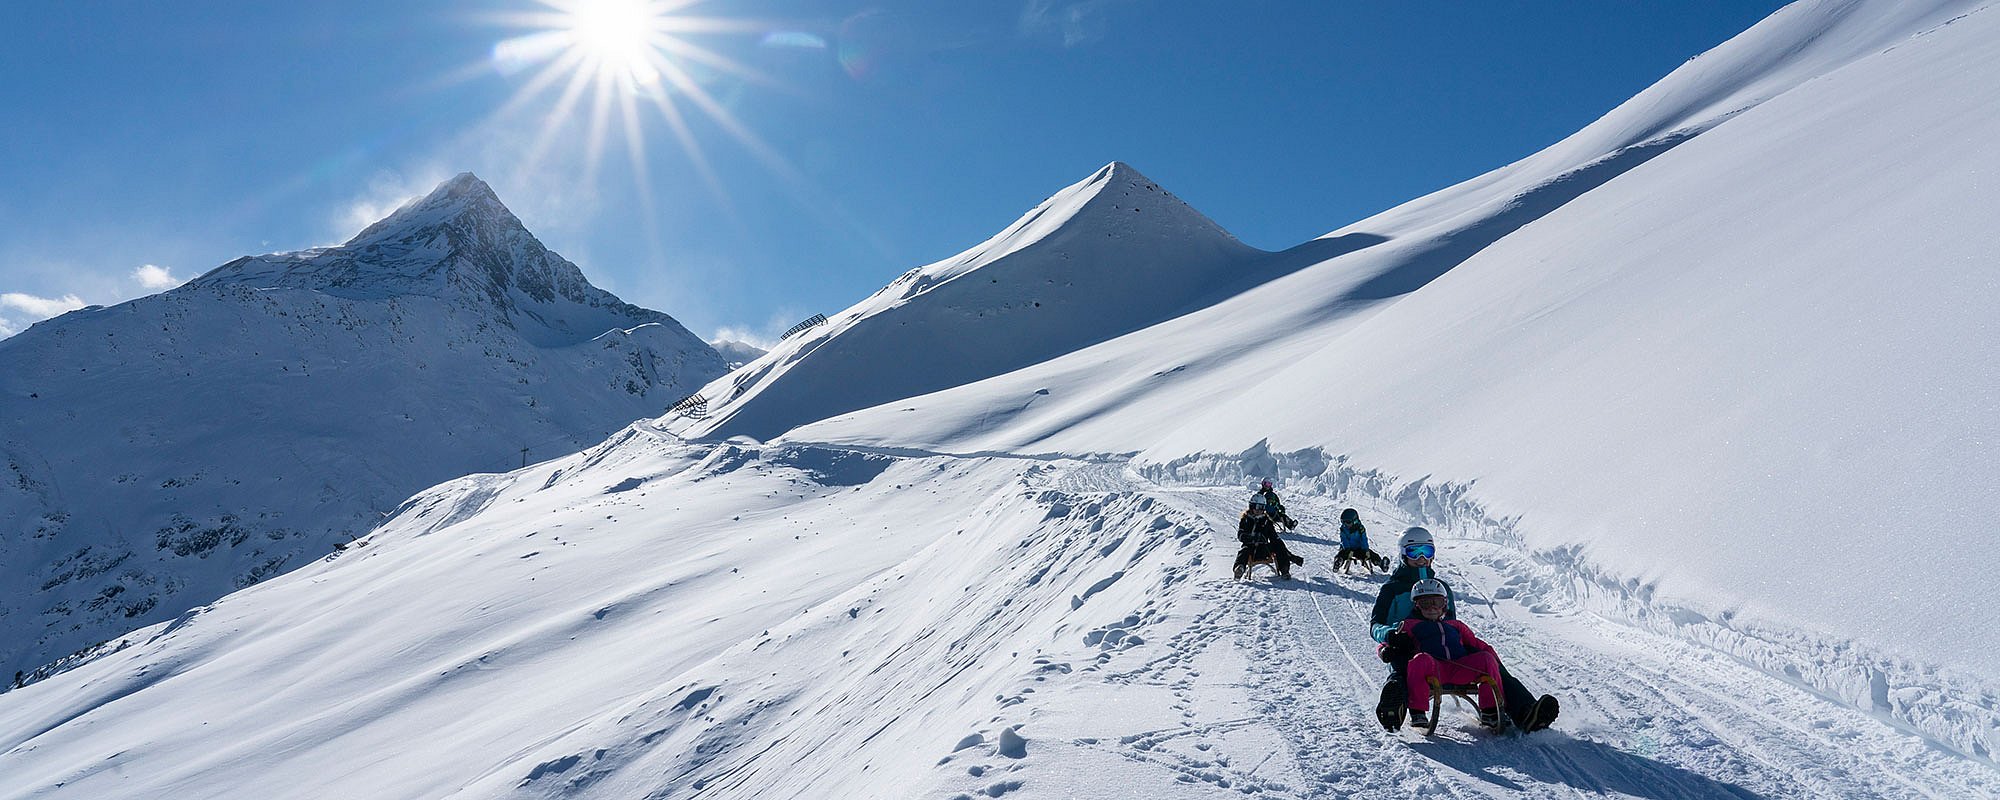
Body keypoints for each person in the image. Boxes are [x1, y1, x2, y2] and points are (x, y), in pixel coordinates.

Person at [1370, 527, 1559, 732]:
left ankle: (1524, 712)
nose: (1422, 558)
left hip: (1442, 649)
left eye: (1427, 551)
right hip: (1404, 646)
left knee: (1487, 659)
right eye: (1415, 552)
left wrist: (1481, 651)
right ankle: (1394, 708)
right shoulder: (1392, 589)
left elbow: (1450, 625)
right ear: (1403, 554)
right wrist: (1390, 635)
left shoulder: (1443, 588)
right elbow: (1375, 625)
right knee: (1403, 665)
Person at [1391, 578, 1505, 728]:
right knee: (1420, 660)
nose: (1432, 608)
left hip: (1460, 668)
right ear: (1417, 606)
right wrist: (1384, 650)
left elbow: (1477, 644)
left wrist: (1497, 663)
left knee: (1486, 658)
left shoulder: (1455, 625)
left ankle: (1490, 711)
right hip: (1433, 669)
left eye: (1436, 603)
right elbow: (1387, 642)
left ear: (1444, 604)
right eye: (1425, 604)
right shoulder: (1409, 625)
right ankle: (1417, 712)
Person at [1234, 496, 1302, 579]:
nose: (1259, 510)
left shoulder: (1266, 521)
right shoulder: (1245, 520)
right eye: (1257, 507)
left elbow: (1274, 537)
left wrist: (1288, 554)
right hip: (1250, 549)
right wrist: (1253, 538)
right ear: (1251, 506)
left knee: (1279, 544)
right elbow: (1240, 535)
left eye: (1262, 507)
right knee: (1243, 551)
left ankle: (1285, 570)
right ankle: (1239, 569)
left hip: (1264, 549)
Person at [1333, 508, 1388, 572]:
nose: (1345, 524)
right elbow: (1344, 540)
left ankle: (1381, 563)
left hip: (1359, 549)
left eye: (1348, 522)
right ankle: (1338, 562)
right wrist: (1347, 549)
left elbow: (1364, 539)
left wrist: (1365, 550)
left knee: (1371, 554)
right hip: (1347, 548)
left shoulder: (1360, 529)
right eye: (1343, 522)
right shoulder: (1343, 529)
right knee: (1341, 554)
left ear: (1354, 521)